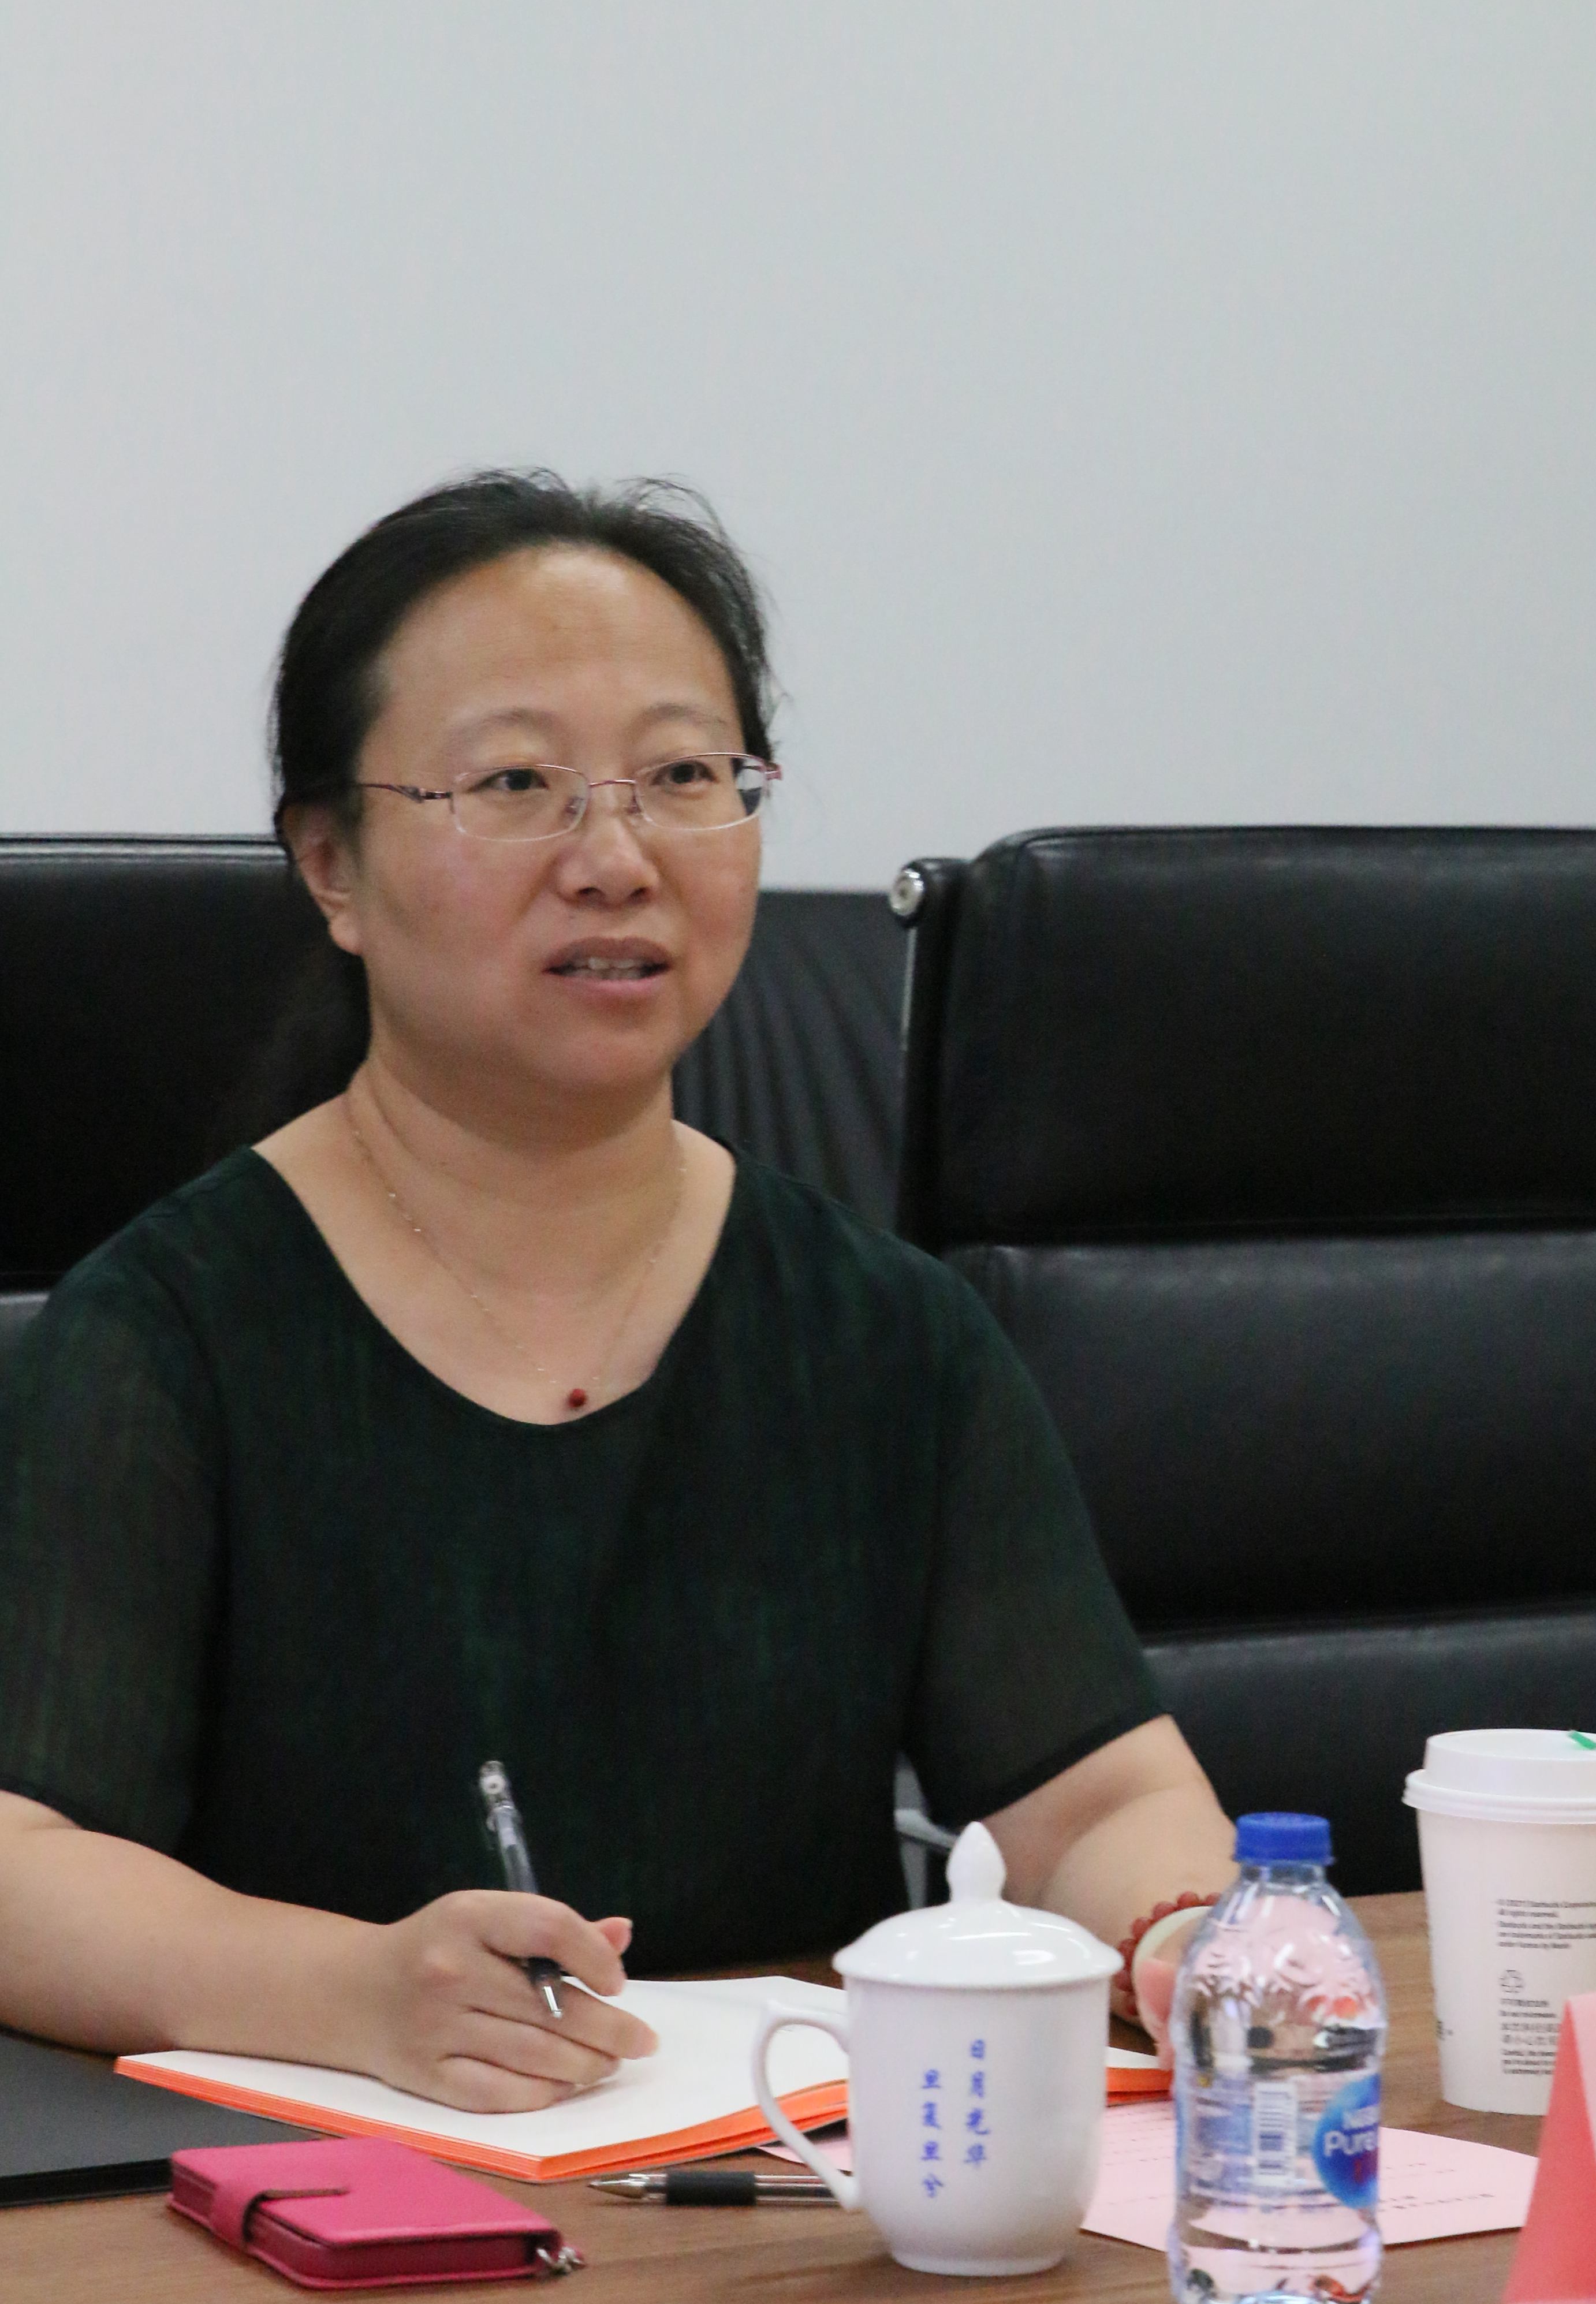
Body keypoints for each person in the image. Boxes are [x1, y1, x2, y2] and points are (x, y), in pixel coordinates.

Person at [0, 474, 1232, 2111]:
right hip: (323, 2210)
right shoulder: (163, 1336)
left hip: (793, 2203)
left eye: (683, 777)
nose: (617, 857)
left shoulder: (884, 1331)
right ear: (333, 866)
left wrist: (1182, 1938)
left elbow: (1095, 1801)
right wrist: (355, 1992)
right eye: (517, 782)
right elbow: (22, 1863)